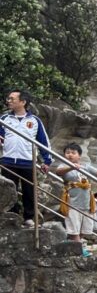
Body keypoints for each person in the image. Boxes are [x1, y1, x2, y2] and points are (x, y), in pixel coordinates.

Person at [0, 90, 52, 227]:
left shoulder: (34, 121)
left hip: (27, 161)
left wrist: (47, 161)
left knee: (29, 191)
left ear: (23, 102)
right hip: (7, 160)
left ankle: (29, 217)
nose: (9, 101)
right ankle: (12, 216)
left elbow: (43, 142)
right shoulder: (4, 119)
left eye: (12, 99)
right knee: (9, 190)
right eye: (8, 98)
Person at [53, 143, 97, 252]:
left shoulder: (85, 166)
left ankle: (73, 243)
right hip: (72, 203)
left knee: (86, 229)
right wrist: (71, 167)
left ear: (79, 155)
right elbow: (58, 172)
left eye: (73, 153)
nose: (70, 155)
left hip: (87, 204)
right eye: (67, 152)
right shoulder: (64, 166)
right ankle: (80, 250)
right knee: (74, 229)